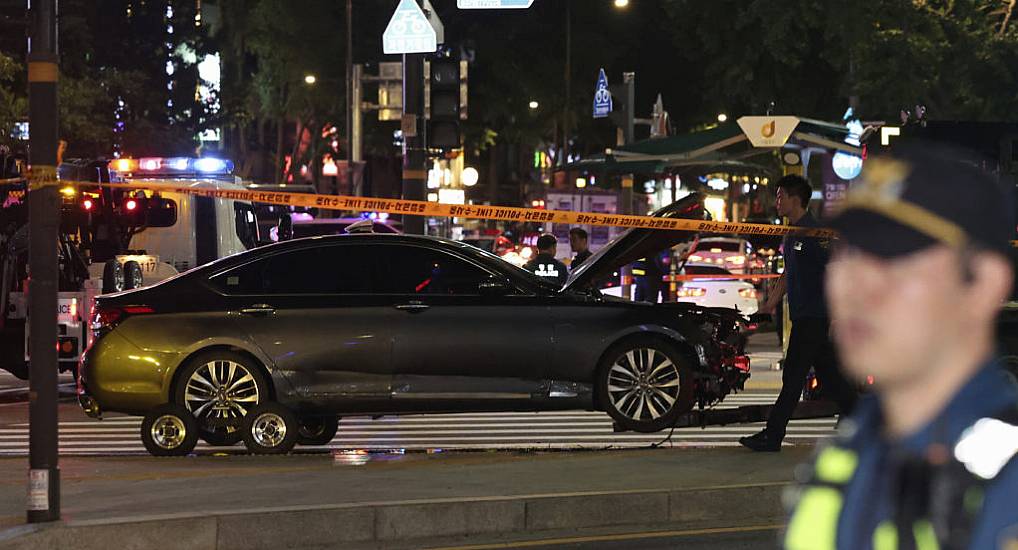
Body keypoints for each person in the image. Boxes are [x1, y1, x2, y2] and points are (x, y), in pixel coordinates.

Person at [784, 145, 1018, 550]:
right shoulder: (840, 463)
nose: (857, 285)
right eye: (851, 253)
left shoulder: (1007, 478)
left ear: (983, 283)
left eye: (896, 258)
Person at [740, 175, 857, 452]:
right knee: (833, 380)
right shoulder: (791, 232)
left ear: (795, 199)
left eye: (781, 196)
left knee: (793, 378)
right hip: (804, 315)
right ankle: (868, 423)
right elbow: (788, 273)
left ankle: (772, 435)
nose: (777, 201)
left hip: (815, 317)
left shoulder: (816, 233)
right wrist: (770, 304)